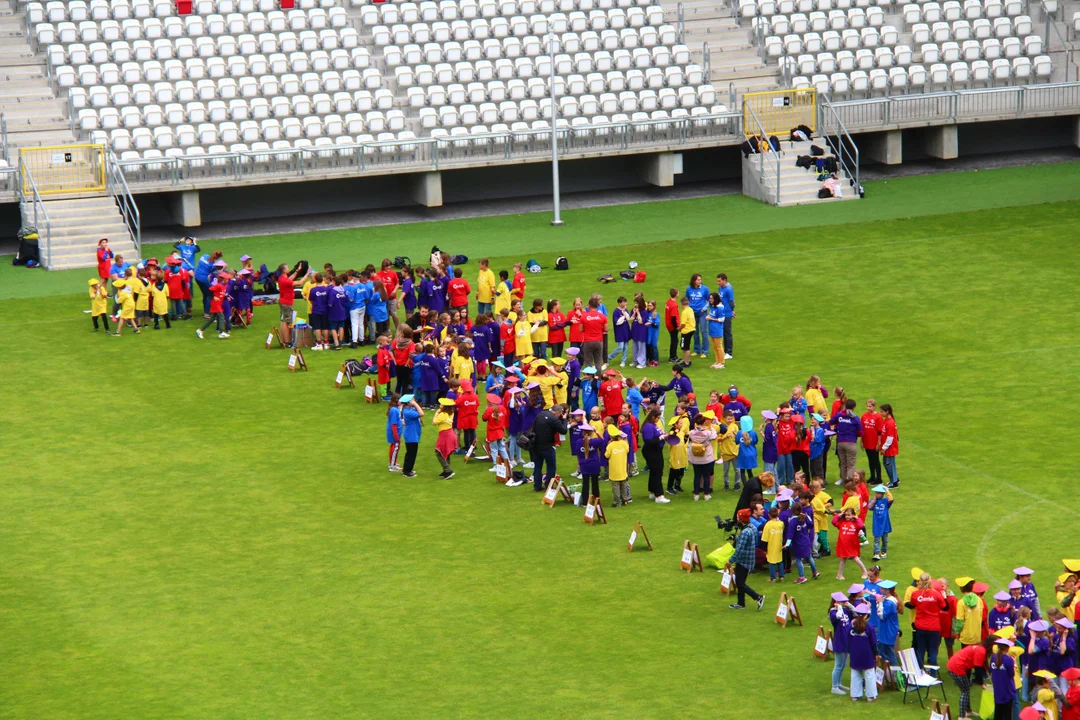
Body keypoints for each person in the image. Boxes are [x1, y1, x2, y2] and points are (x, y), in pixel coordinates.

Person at [947, 637, 996, 720]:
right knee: (965, 691)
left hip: (957, 665)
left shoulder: (980, 648)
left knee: (966, 688)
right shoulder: (981, 651)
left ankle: (968, 711)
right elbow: (978, 668)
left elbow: (980, 665)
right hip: (957, 668)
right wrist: (981, 683)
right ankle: (962, 716)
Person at [729, 504, 766, 611]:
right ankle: (741, 603)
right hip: (749, 558)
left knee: (740, 583)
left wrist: (730, 561)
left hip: (744, 560)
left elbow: (739, 550)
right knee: (740, 581)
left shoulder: (745, 532)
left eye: (737, 517)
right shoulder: (752, 527)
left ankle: (758, 597)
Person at [910, 572, 948, 669]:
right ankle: (933, 674)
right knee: (933, 651)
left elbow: (912, 605)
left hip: (920, 626)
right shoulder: (936, 594)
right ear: (930, 581)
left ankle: (920, 673)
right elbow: (945, 608)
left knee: (921, 650)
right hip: (934, 627)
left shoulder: (915, 594)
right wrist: (944, 597)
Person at [531, 403, 568, 491]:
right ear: (558, 412)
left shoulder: (541, 414)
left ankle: (537, 485)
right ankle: (549, 485)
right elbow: (563, 430)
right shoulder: (554, 419)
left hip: (536, 444)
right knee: (551, 466)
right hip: (547, 446)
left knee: (538, 466)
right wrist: (564, 420)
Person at [848, 604, 879, 703]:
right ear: (866, 614)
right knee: (869, 674)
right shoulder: (869, 627)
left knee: (855, 673)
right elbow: (873, 642)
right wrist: (876, 653)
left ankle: (855, 695)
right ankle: (871, 696)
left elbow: (848, 639)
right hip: (867, 654)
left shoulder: (851, 626)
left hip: (855, 653)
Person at [829, 398, 863, 485]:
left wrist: (838, 427)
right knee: (851, 465)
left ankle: (844, 482)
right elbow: (860, 432)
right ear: (853, 408)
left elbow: (831, 421)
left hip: (840, 443)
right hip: (851, 443)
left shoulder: (839, 415)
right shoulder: (855, 418)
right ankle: (850, 484)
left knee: (843, 464)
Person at [640, 407, 670, 503]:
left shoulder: (652, 424)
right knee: (657, 472)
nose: (658, 419)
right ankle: (659, 495)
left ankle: (652, 492)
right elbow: (649, 441)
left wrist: (663, 435)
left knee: (654, 471)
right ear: (653, 417)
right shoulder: (649, 426)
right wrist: (661, 437)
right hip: (652, 451)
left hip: (655, 450)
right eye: (657, 417)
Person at [786, 500, 818, 583]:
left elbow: (790, 533)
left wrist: (787, 544)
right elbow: (811, 524)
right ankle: (815, 572)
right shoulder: (804, 517)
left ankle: (802, 577)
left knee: (798, 559)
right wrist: (808, 517)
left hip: (798, 543)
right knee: (809, 556)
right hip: (806, 541)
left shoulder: (793, 521)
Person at [687, 412, 717, 501]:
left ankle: (696, 494)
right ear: (704, 422)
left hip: (695, 457)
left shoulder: (692, 433)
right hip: (706, 457)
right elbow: (714, 436)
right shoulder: (707, 433)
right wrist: (712, 427)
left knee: (697, 475)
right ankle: (706, 494)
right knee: (706, 476)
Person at [830, 591, 854, 694]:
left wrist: (850, 606)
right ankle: (834, 687)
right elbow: (837, 618)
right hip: (839, 640)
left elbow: (856, 614)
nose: (846, 602)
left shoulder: (845, 610)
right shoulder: (833, 612)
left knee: (843, 664)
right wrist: (839, 608)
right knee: (839, 664)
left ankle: (838, 683)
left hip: (847, 639)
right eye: (843, 601)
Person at [990, 638, 1019, 720]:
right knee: (1007, 714)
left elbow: (991, 670)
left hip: (997, 688)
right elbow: (1011, 674)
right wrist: (1014, 662)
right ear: (1007, 648)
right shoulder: (1009, 660)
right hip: (1007, 689)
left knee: (998, 712)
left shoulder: (993, 657)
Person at [605, 425, 631, 507]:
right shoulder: (624, 443)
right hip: (623, 469)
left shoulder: (610, 446)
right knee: (623, 485)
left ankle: (617, 502)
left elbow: (606, 455)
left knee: (615, 487)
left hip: (614, 470)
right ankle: (625, 500)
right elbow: (627, 450)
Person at [432, 398, 458, 479]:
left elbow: (434, 422)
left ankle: (448, 470)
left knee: (438, 452)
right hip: (451, 434)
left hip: (445, 435)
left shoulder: (442, 414)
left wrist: (436, 413)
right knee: (446, 452)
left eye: (441, 404)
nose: (440, 405)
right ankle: (446, 470)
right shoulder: (451, 413)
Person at [685, 273, 709, 358]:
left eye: (700, 280)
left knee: (703, 331)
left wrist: (705, 308)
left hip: (702, 313)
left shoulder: (704, 289)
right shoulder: (689, 289)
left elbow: (709, 300)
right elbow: (687, 299)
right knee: (695, 332)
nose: (700, 281)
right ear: (694, 281)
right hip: (692, 313)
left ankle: (705, 351)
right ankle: (696, 350)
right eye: (698, 280)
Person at [861, 399, 884, 486]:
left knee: (876, 460)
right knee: (870, 460)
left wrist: (879, 443)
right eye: (867, 406)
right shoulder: (864, 416)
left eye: (870, 406)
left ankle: (879, 478)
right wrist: (862, 442)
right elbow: (862, 430)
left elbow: (879, 431)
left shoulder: (878, 417)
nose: (868, 408)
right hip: (867, 441)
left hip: (874, 442)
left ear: (874, 407)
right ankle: (872, 476)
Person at [399, 395, 423, 477]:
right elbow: (421, 413)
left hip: (411, 434)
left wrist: (414, 405)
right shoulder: (408, 412)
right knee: (411, 454)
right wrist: (415, 404)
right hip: (411, 435)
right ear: (408, 402)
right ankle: (407, 471)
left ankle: (407, 469)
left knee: (410, 453)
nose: (414, 400)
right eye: (412, 399)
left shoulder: (408, 409)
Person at [868, 484, 894, 560]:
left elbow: (891, 499)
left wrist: (887, 490)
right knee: (876, 539)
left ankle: (884, 551)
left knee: (885, 539)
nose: (877, 494)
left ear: (882, 494)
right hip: (877, 523)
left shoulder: (886, 501)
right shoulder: (874, 501)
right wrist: (874, 500)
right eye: (876, 493)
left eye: (878, 493)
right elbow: (869, 507)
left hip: (885, 523)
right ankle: (876, 553)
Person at [194, 249, 223, 316]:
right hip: (204, 279)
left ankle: (205, 310)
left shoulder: (204, 256)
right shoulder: (213, 265)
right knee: (209, 295)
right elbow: (217, 271)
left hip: (197, 277)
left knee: (205, 294)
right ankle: (207, 313)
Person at [879, 403, 901, 488]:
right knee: (888, 463)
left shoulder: (890, 422)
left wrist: (884, 448)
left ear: (887, 412)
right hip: (888, 447)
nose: (880, 413)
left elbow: (890, 438)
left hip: (890, 447)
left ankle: (894, 482)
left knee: (888, 464)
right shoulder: (887, 420)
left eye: (882, 411)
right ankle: (894, 479)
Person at [762, 507, 785, 582]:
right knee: (780, 561)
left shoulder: (768, 525)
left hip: (771, 546)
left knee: (772, 562)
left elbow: (764, 539)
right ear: (778, 514)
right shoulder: (781, 524)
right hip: (779, 546)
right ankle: (782, 577)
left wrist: (765, 549)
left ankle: (773, 578)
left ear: (769, 515)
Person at [716, 272, 735, 359]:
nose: (718, 283)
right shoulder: (720, 288)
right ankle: (725, 351)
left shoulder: (728, 289)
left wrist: (731, 311)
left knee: (727, 333)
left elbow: (732, 302)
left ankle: (729, 353)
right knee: (723, 332)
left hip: (727, 314)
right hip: (722, 313)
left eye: (719, 281)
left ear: (724, 280)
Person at [705, 292, 726, 369]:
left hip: (717, 330)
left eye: (711, 298)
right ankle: (717, 361)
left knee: (719, 346)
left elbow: (722, 319)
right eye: (709, 298)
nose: (710, 300)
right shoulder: (713, 307)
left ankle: (722, 362)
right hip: (711, 330)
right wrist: (709, 316)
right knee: (714, 347)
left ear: (715, 299)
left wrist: (712, 319)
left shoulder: (720, 308)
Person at [386, 394, 404, 471]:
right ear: (396, 400)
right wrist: (396, 436)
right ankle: (392, 466)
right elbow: (393, 424)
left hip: (396, 433)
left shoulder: (396, 409)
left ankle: (393, 463)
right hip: (394, 434)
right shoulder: (394, 410)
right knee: (395, 448)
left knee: (395, 447)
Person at [678, 296, 696, 367]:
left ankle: (686, 362)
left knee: (685, 347)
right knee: (685, 346)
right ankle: (687, 360)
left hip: (686, 331)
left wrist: (679, 328)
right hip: (692, 329)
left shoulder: (684, 312)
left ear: (681, 304)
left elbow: (683, 324)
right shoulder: (690, 309)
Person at [663, 288, 680, 363]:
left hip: (668, 324)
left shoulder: (668, 302)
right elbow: (673, 317)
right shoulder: (674, 305)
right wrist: (676, 327)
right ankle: (672, 357)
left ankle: (674, 356)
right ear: (676, 294)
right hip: (672, 326)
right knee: (674, 341)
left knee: (674, 340)